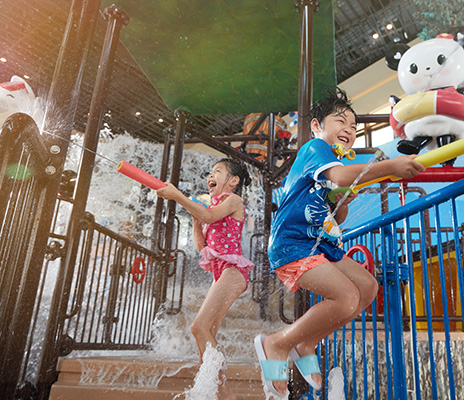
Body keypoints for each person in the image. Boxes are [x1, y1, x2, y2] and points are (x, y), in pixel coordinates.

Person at [254, 88, 426, 398]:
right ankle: (278, 342)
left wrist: (342, 199)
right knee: (346, 297)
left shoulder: (331, 163)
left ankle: (307, 341)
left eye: (354, 127)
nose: (349, 129)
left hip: (320, 245)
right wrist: (390, 167)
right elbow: (343, 176)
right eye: (341, 121)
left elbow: (339, 215)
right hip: (293, 244)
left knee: (368, 288)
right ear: (317, 126)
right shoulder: (315, 147)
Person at [156, 158, 253, 400]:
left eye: (217, 171)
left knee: (198, 327)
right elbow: (201, 245)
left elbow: (210, 216)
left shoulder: (233, 200)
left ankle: (223, 393)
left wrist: (178, 196)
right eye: (210, 172)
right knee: (207, 331)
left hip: (233, 270)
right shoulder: (212, 205)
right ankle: (212, 390)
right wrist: (194, 219)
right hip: (221, 271)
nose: (211, 175)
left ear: (233, 181)